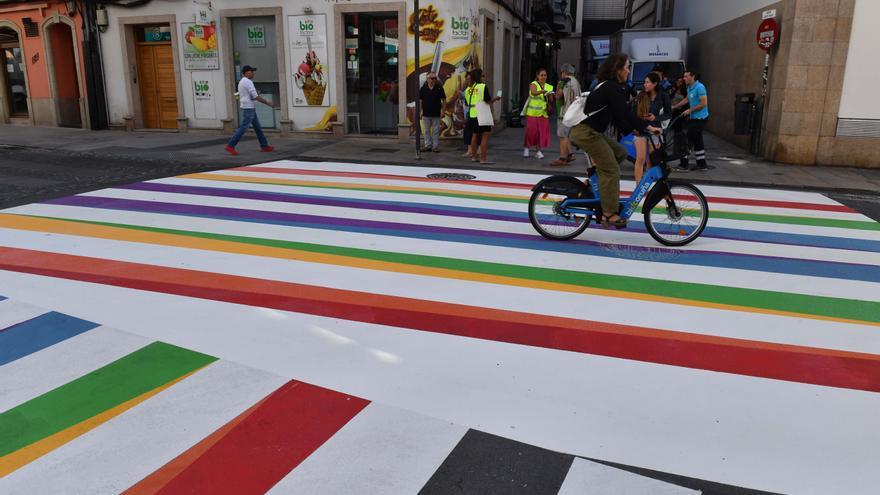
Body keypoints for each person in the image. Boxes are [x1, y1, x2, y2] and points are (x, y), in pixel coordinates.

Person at [569, 53, 660, 229]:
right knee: (611, 169)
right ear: (618, 70)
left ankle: (593, 181)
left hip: (591, 131)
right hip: (587, 133)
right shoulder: (611, 87)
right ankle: (609, 214)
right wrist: (647, 127)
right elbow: (625, 113)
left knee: (620, 153)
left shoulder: (608, 86)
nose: (628, 71)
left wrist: (632, 129)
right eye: (626, 67)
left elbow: (619, 117)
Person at [225, 65, 274, 155]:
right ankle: (230, 145)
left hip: (247, 106)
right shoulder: (248, 82)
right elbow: (255, 96)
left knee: (257, 127)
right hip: (249, 108)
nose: (253, 73)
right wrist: (268, 103)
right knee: (244, 127)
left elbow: (237, 94)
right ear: (246, 72)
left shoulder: (241, 82)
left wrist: (243, 100)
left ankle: (264, 146)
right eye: (251, 71)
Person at [632, 72, 672, 183]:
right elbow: (633, 113)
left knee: (651, 160)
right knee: (640, 158)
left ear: (655, 84)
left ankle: (647, 185)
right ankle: (638, 187)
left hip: (656, 131)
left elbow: (669, 114)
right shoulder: (641, 96)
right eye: (645, 82)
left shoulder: (664, 96)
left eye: (647, 82)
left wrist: (655, 118)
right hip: (640, 130)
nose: (645, 84)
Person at [673, 69, 709, 171]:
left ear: (693, 77)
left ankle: (684, 165)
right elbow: (687, 99)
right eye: (684, 76)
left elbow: (703, 103)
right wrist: (675, 107)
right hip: (694, 118)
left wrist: (690, 110)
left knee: (687, 140)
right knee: (698, 141)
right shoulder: (689, 87)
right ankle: (702, 165)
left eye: (686, 76)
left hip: (700, 118)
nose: (684, 78)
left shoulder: (700, 87)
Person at [464, 69, 501, 164]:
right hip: (482, 114)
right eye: (483, 76)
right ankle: (483, 159)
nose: (484, 77)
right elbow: (488, 101)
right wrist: (496, 99)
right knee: (485, 136)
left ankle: (473, 157)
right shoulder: (482, 87)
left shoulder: (468, 89)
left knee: (474, 135)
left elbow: (467, 103)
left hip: (472, 115)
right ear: (479, 76)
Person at [551, 63, 582, 166]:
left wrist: (553, 93)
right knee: (567, 135)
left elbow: (559, 96)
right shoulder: (576, 82)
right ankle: (570, 155)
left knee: (563, 136)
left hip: (564, 112)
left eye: (561, 72)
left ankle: (562, 158)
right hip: (574, 112)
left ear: (564, 72)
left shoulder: (563, 82)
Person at [522, 69, 554, 159]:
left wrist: (550, 95)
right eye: (542, 75)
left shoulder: (549, 87)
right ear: (537, 76)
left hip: (543, 114)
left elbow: (551, 100)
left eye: (545, 75)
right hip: (532, 113)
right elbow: (533, 92)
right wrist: (542, 91)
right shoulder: (533, 84)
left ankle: (538, 151)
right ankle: (526, 148)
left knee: (541, 133)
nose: (543, 77)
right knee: (531, 132)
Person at [419, 71, 446, 152]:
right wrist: (420, 111)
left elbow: (444, 100)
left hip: (436, 113)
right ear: (427, 79)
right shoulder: (423, 88)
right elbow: (420, 101)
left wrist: (443, 111)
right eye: (432, 78)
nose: (434, 80)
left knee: (436, 131)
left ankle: (435, 147)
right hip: (426, 113)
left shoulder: (439, 87)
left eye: (435, 78)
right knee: (426, 130)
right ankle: (427, 145)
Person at [670, 77, 689, 163]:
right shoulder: (675, 90)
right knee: (676, 134)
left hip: (681, 114)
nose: (678, 82)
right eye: (677, 80)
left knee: (681, 134)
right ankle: (676, 151)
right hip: (674, 114)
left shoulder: (685, 92)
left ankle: (682, 154)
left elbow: (686, 103)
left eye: (680, 81)